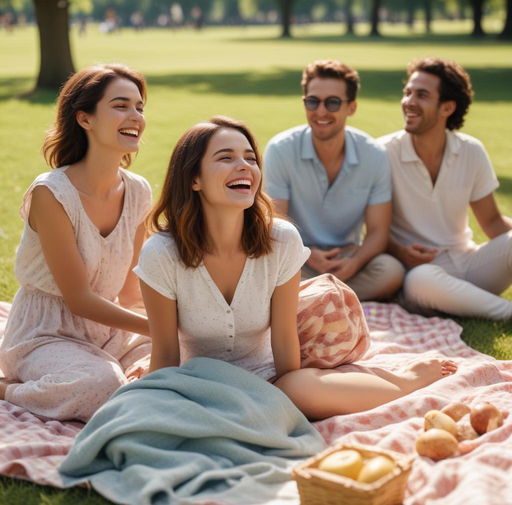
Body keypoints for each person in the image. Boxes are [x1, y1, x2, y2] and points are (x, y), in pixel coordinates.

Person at [134, 116, 457, 421]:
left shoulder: (281, 239)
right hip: (199, 382)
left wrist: (291, 395)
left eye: (250, 158)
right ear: (194, 178)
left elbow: (285, 337)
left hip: (268, 378)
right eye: (226, 158)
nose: (244, 167)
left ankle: (406, 383)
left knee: (298, 390)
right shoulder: (161, 253)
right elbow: (164, 352)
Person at [0, 64, 153, 422]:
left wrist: (174, 330)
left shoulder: (138, 192)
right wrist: (159, 328)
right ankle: (7, 388)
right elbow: (78, 299)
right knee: (101, 384)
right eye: (121, 106)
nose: (136, 117)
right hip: (44, 333)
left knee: (185, 363)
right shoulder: (51, 193)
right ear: (85, 119)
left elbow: (131, 295)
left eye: (139, 107)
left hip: (109, 333)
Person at [378, 57, 512, 321]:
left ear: (447, 107)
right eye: (407, 93)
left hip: (469, 263)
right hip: (423, 275)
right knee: (420, 280)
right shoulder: (382, 153)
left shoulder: (471, 150)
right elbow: (371, 228)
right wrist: (400, 251)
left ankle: (471, 301)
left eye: (422, 95)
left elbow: (493, 222)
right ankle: (505, 312)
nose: (409, 102)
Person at [264, 60, 405, 301]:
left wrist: (355, 262)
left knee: (391, 272)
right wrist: (306, 254)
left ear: (352, 107)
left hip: (348, 259)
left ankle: (312, 298)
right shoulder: (280, 149)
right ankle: (337, 298)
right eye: (312, 101)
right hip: (297, 257)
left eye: (332, 102)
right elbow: (276, 225)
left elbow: (378, 233)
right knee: (266, 269)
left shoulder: (373, 154)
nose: (320, 111)